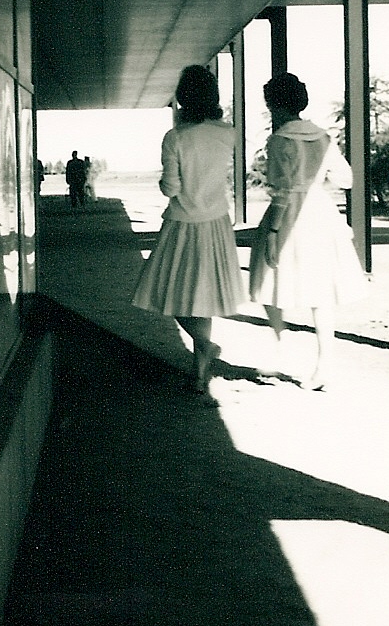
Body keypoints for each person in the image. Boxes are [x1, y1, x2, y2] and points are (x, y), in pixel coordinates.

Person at [132, 65, 246, 398]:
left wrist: (164, 182)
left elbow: (171, 188)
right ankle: (199, 373)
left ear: (183, 97)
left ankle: (204, 347)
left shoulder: (176, 137)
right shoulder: (228, 133)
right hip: (217, 224)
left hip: (182, 225)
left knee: (166, 293)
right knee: (203, 298)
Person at [248, 72, 367, 390]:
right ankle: (324, 364)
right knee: (322, 291)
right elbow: (346, 179)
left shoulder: (279, 139)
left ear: (275, 105)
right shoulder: (323, 137)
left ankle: (281, 346)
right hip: (320, 212)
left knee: (268, 277)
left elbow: (281, 192)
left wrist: (273, 232)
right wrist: (316, 178)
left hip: (288, 216)